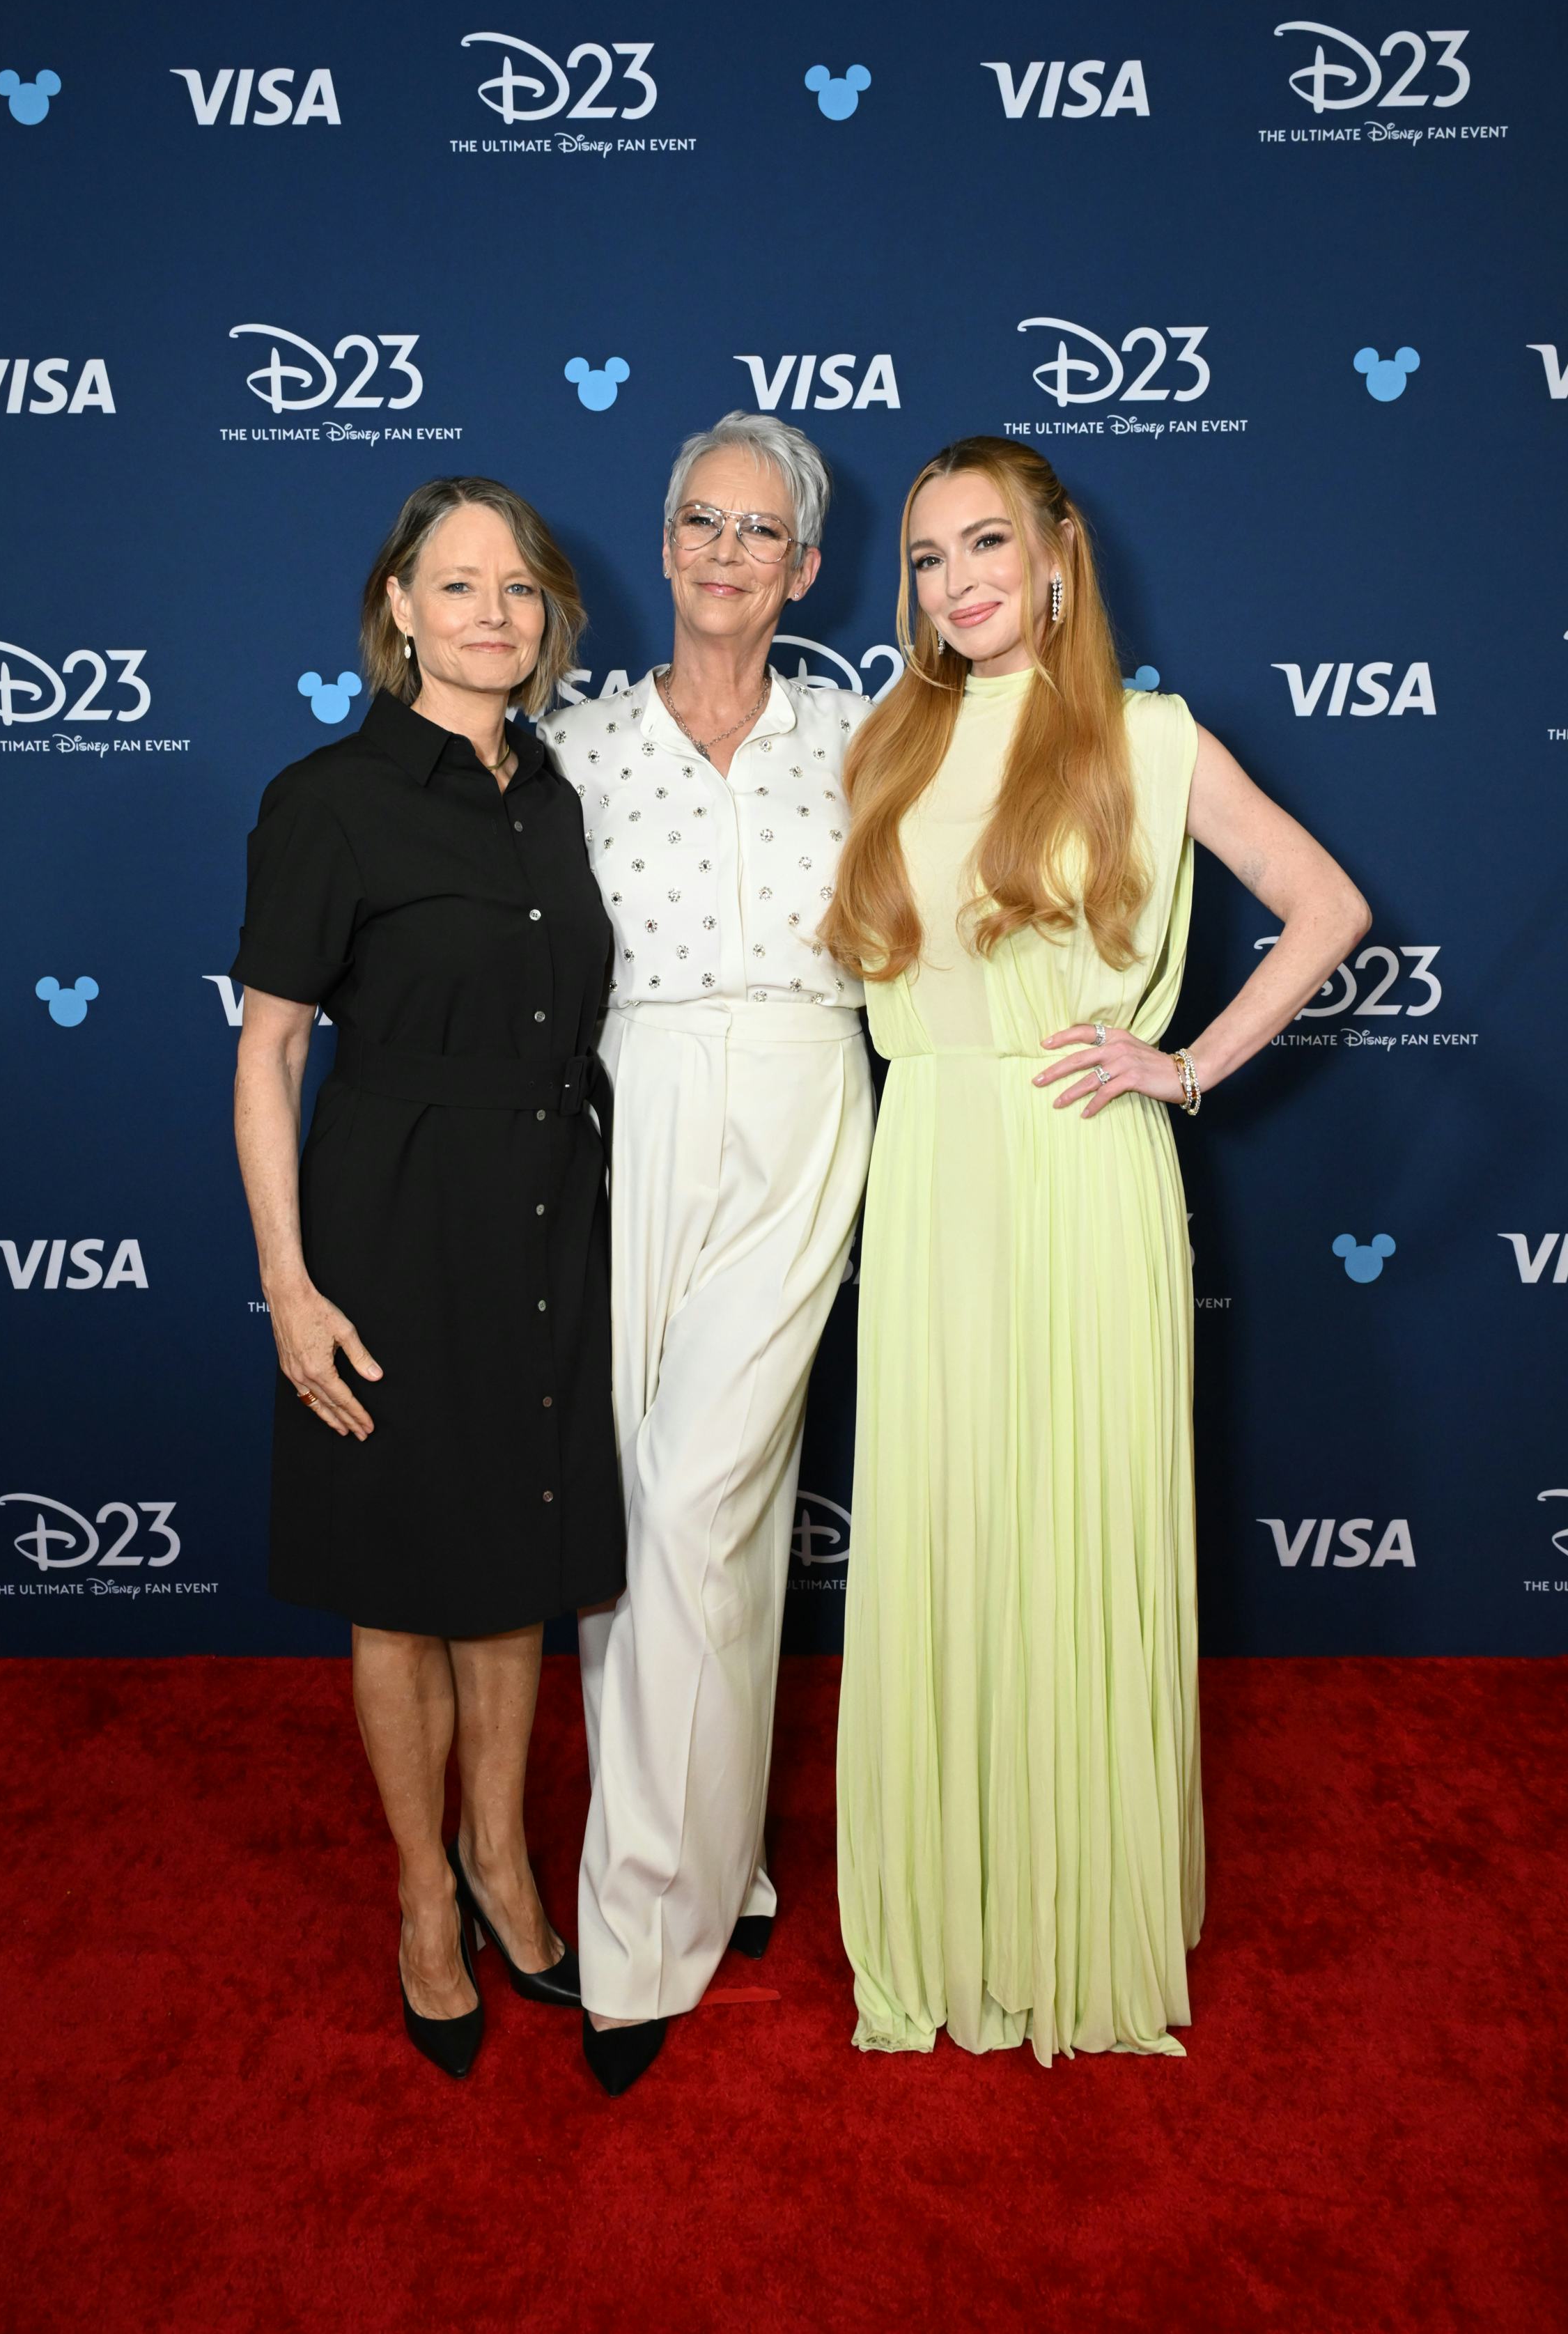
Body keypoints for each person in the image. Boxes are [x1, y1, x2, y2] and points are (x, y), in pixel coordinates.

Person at [827, 437, 1369, 2062]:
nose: (958, 582)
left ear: (1060, 557)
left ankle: (1075, 1916)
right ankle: (954, 1911)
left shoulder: (1149, 737)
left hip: (1079, 1169)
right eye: (927, 558)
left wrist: (1185, 1065)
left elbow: (1328, 908)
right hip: (931, 1166)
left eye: (987, 543)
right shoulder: (886, 742)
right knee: (948, 1528)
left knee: (1071, 1519)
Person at [231, 477, 623, 2083]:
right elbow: (269, 1055)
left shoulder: (563, 792)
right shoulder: (326, 799)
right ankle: (420, 1893)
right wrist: (290, 1285)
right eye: (456, 584)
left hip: (547, 1213)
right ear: (398, 608)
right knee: (400, 1585)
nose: (491, 613)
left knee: (512, 1570)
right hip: (390, 1221)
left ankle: (503, 1859)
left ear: (549, 617)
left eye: (518, 588)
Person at [545, 412, 874, 2094]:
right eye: (701, 520)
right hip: (628, 1102)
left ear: (805, 568)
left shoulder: (868, 735)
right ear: (665, 543)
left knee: (694, 1501)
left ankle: (635, 1941)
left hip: (807, 1097)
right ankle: (724, 1856)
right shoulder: (579, 747)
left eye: (760, 531)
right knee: (654, 1521)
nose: (727, 551)